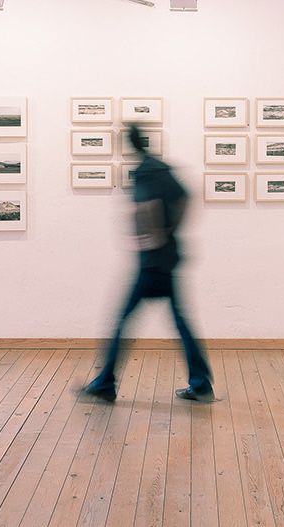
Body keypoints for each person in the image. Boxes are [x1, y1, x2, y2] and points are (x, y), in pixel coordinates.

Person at [84, 124, 214, 403]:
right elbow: (185, 197)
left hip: (152, 262)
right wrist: (171, 230)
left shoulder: (144, 172)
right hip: (167, 258)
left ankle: (105, 383)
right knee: (181, 322)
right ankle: (201, 384)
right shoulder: (162, 168)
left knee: (122, 321)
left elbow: (146, 208)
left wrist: (151, 239)